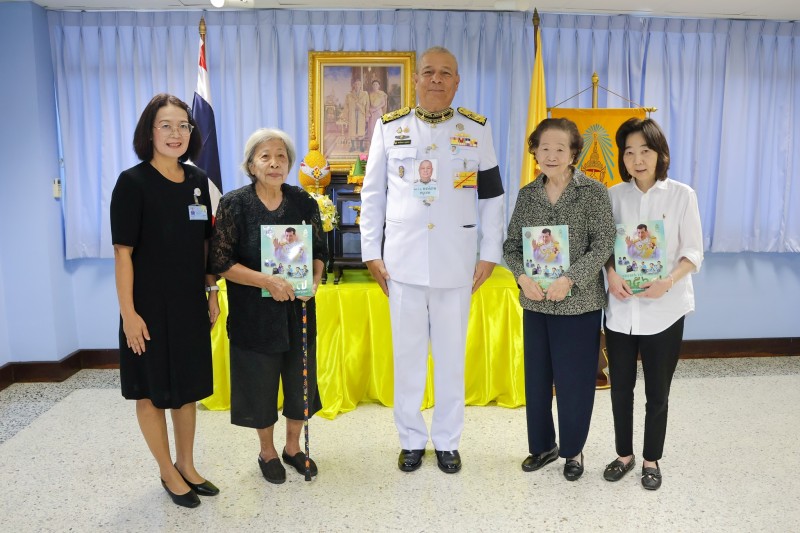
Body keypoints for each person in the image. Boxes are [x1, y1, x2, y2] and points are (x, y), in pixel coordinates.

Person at [360, 46, 505, 474]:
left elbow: (492, 197)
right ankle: (410, 439)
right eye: (428, 72)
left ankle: (446, 441)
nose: (436, 79)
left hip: (455, 262)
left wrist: (490, 253)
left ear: (457, 82)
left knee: (450, 359)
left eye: (445, 73)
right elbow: (373, 194)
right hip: (401, 263)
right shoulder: (390, 128)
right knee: (407, 358)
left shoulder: (476, 130)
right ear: (416, 79)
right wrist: (371, 252)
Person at [110, 93, 220, 509]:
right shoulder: (132, 183)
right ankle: (167, 471)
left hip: (189, 303)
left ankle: (186, 464)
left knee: (187, 389)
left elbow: (205, 244)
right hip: (147, 308)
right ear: (150, 132)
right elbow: (122, 253)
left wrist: (211, 291)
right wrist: (129, 315)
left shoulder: (197, 181)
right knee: (151, 391)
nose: (176, 134)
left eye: (183, 126)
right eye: (166, 126)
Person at [209, 128, 328, 485]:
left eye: (281, 156)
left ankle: (292, 448)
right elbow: (221, 262)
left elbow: (319, 250)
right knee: (259, 385)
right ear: (251, 164)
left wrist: (314, 282)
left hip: (297, 311)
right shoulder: (234, 204)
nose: (274, 163)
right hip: (254, 314)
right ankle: (267, 452)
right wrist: (267, 281)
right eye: (265, 156)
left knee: (299, 382)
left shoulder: (303, 201)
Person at [503, 117, 615, 481]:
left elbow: (604, 243)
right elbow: (511, 246)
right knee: (537, 380)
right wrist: (522, 278)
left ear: (573, 153)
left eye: (560, 149)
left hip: (579, 304)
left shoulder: (593, 192)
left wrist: (570, 279)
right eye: (544, 148)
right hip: (536, 302)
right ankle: (542, 447)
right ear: (534, 152)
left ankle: (573, 451)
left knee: (575, 381)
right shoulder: (527, 194)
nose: (551, 155)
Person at [602, 117, 703, 490]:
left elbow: (693, 252)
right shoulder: (613, 195)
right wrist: (611, 274)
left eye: (645, 151)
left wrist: (668, 282)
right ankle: (624, 455)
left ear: (660, 154)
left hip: (665, 309)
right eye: (629, 152)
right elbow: (604, 247)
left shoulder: (682, 195)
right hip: (621, 310)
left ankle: (650, 459)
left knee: (657, 392)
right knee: (620, 388)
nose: (637, 159)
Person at [343, 78, 369, 152]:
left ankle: (361, 146)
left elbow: (367, 105)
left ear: (361, 85)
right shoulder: (349, 95)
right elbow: (346, 106)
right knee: (352, 130)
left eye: (359, 84)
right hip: (352, 114)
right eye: (356, 84)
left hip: (361, 114)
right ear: (353, 85)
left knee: (361, 130)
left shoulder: (365, 94)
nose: (357, 85)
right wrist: (346, 116)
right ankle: (353, 146)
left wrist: (367, 115)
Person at [365, 79, 389, 144]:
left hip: (378, 112)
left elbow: (383, 103)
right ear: (372, 86)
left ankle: (379, 142)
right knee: (371, 127)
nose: (375, 85)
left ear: (379, 86)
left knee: (378, 126)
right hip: (372, 113)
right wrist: (369, 110)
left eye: (376, 84)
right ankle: (372, 142)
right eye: (374, 84)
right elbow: (368, 104)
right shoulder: (370, 94)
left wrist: (375, 109)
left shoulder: (382, 93)